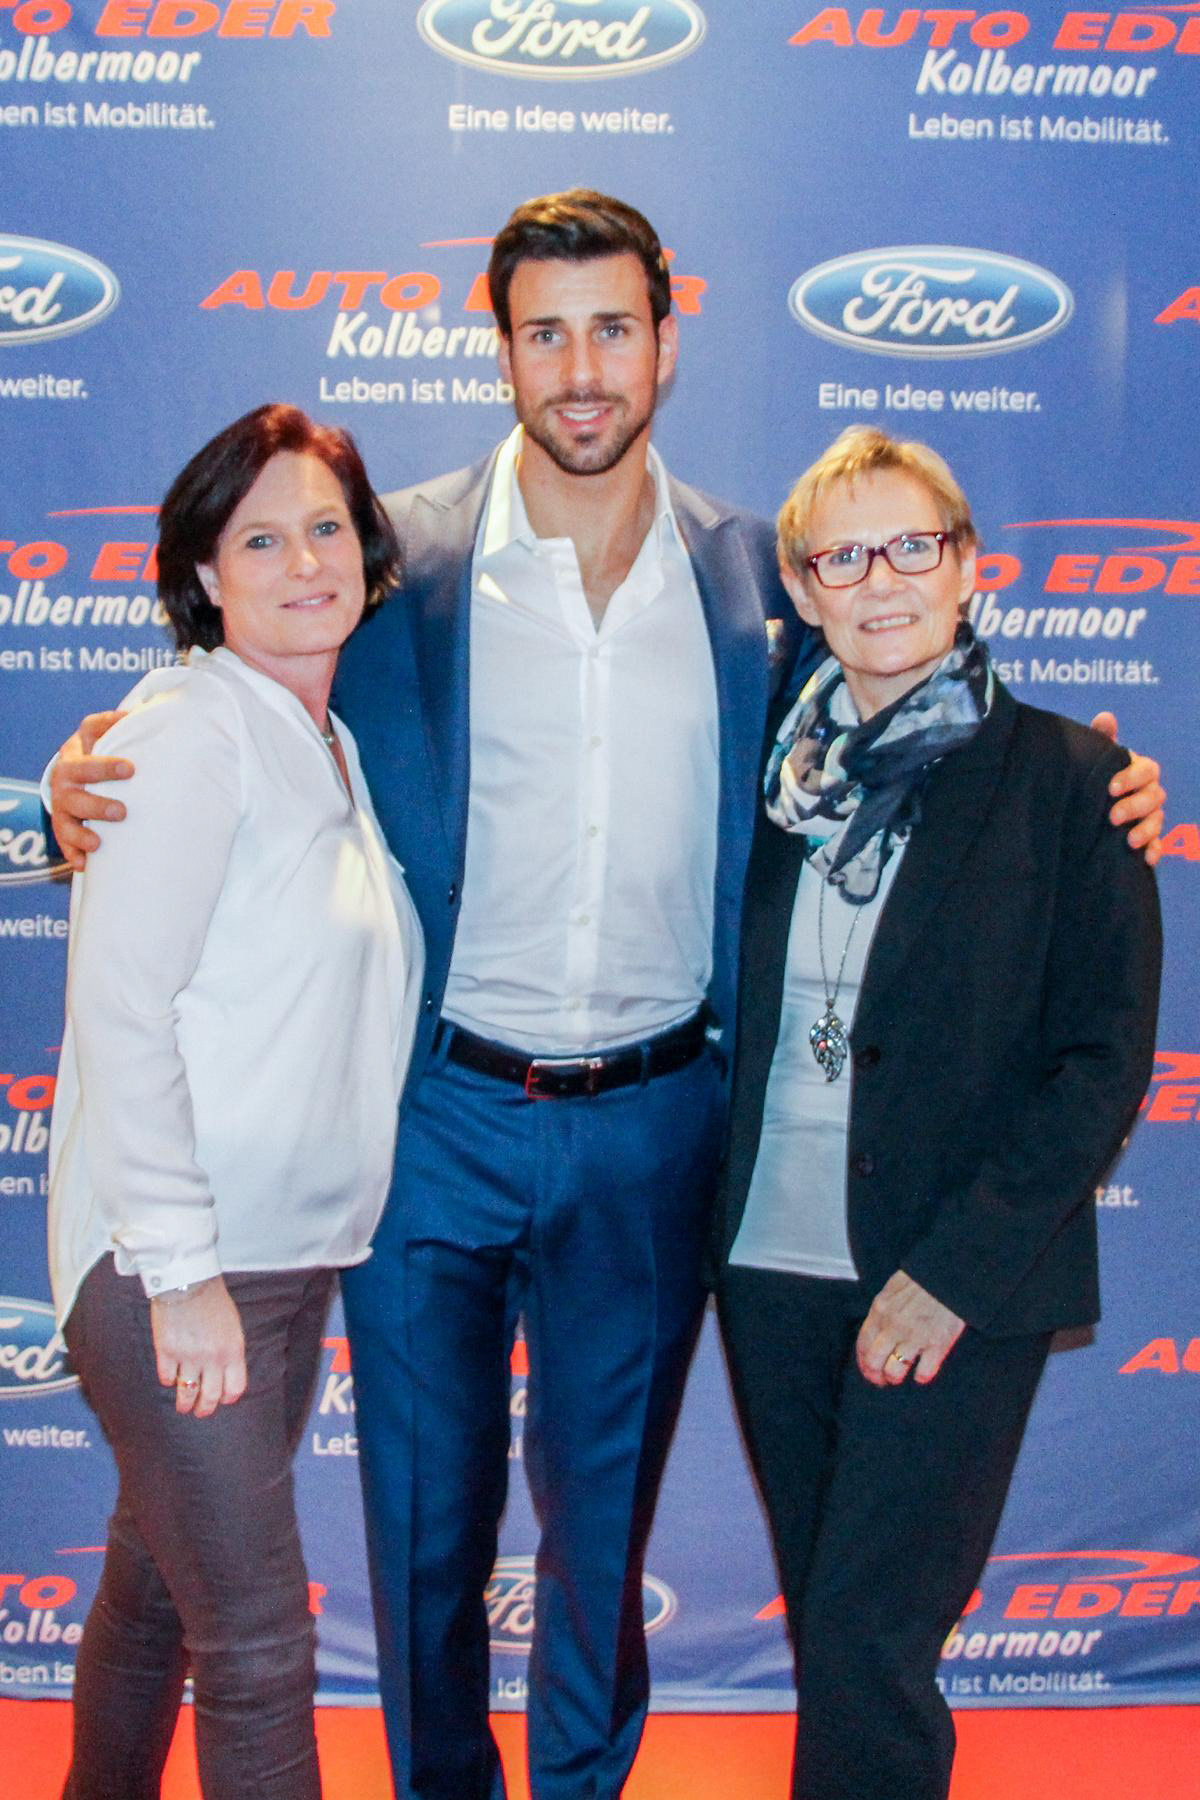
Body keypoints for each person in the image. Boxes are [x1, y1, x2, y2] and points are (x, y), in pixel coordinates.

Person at [47, 193, 1165, 1800]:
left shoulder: (758, 585)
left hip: (654, 1129)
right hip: (433, 1123)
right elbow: (234, 685)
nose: (582, 369)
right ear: (500, 350)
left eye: (614, 329)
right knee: (425, 1532)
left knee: (600, 1540)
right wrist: (82, 777)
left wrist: (1090, 782)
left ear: (666, 341)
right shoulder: (389, 565)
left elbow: (908, 710)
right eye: (546, 332)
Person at [713, 425, 1162, 1800]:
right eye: (845, 557)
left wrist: (952, 1276)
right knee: (835, 1622)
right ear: (804, 589)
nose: (883, 580)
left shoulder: (1077, 784)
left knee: (872, 1637)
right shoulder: (754, 780)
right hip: (767, 1266)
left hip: (956, 1278)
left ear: (970, 566)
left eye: (914, 546)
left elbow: (1100, 1062)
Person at [47, 404, 423, 1800]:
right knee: (259, 1648)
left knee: (157, 1590)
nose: (303, 562)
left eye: (326, 527)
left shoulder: (326, 742)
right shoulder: (192, 730)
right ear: (205, 574)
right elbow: (122, 1010)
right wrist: (182, 1271)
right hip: (178, 1267)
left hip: (284, 1258)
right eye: (260, 539)